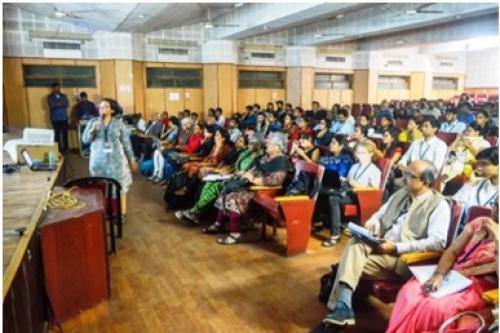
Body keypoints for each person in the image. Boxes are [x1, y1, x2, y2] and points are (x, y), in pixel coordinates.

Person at [322, 160, 451, 327]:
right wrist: (373, 221)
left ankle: (339, 309)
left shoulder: (439, 205)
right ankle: (343, 307)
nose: (403, 179)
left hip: (401, 259)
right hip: (380, 246)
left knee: (347, 263)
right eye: (404, 173)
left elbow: (437, 242)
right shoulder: (400, 194)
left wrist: (396, 247)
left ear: (425, 182)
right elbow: (378, 214)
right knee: (356, 241)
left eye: (409, 176)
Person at [386, 200, 498, 333]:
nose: (495, 210)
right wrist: (439, 275)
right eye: (496, 205)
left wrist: (497, 240)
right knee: (410, 291)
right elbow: (452, 251)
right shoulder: (479, 223)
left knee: (433, 307)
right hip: (454, 276)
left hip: (479, 288)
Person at [203, 136, 291, 245]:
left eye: (269, 144)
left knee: (232, 198)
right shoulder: (266, 157)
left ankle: (235, 233)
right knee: (225, 191)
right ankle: (218, 224)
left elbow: (275, 181)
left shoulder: (281, 161)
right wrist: (245, 173)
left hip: (262, 191)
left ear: (278, 147)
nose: (266, 145)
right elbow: (254, 169)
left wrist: (253, 179)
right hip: (250, 185)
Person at [175, 135, 263, 224]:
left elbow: (251, 172)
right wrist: (226, 171)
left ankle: (194, 211)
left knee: (216, 186)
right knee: (209, 183)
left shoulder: (259, 157)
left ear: (258, 145)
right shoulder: (246, 153)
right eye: (250, 144)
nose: (249, 146)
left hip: (243, 181)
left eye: (252, 144)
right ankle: (197, 211)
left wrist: (233, 173)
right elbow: (235, 166)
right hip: (233, 175)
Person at [319, 139, 382, 247]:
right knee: (323, 191)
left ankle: (335, 234)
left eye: (362, 152)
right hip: (349, 191)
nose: (358, 155)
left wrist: (357, 185)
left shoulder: (374, 170)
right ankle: (320, 221)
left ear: (371, 154)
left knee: (333, 199)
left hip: (361, 197)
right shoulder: (355, 166)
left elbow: (374, 191)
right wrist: (343, 180)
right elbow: (348, 180)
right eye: (358, 152)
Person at [82, 98, 138, 218]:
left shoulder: (119, 124)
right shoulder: (92, 122)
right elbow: (85, 140)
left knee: (120, 185)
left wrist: (132, 159)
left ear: (112, 110)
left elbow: (126, 143)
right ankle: (103, 211)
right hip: (98, 161)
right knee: (101, 186)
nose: (102, 109)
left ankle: (122, 213)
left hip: (117, 160)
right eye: (100, 107)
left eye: (105, 106)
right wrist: (92, 130)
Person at [47, 82, 70, 153]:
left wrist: (58, 104)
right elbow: (52, 105)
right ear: (53, 88)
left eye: (59, 87)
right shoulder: (50, 97)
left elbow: (67, 104)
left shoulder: (63, 96)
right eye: (56, 87)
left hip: (64, 117)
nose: (58, 89)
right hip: (55, 118)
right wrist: (61, 104)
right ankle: (58, 149)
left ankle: (66, 149)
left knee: (65, 134)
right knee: (57, 135)